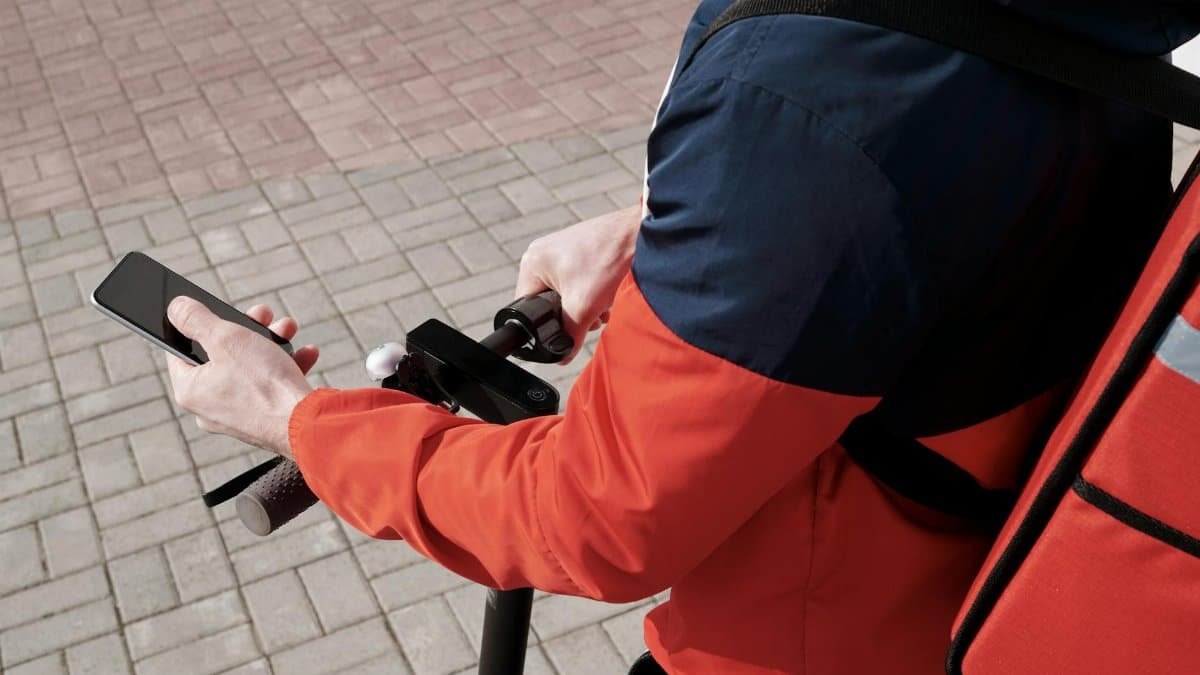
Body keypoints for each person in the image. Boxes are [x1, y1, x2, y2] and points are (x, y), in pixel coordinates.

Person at [165, 1, 1198, 672]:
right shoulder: (1054, 13)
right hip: (958, 585)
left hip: (802, 644)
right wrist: (665, 230)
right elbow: (927, 187)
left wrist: (295, 418)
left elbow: (594, 516)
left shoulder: (800, 104)